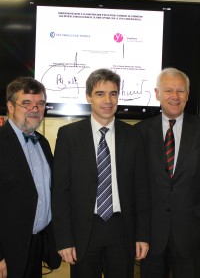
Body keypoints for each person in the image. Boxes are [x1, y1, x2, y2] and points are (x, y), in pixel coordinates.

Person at [52, 68, 150, 278]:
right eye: (100, 93)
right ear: (88, 97)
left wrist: (142, 235)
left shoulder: (133, 135)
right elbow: (60, 192)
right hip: (83, 231)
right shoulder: (69, 136)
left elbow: (141, 190)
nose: (108, 100)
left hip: (121, 229)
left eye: (113, 93)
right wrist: (64, 239)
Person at [135, 67, 200, 278]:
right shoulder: (139, 133)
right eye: (169, 90)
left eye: (181, 91)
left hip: (191, 235)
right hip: (151, 236)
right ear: (157, 94)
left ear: (188, 95)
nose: (175, 96)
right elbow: (134, 186)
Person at [0, 77, 61, 278]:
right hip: (8, 250)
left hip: (36, 245)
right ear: (10, 106)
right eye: (26, 103)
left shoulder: (42, 143)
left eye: (40, 103)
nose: (34, 109)